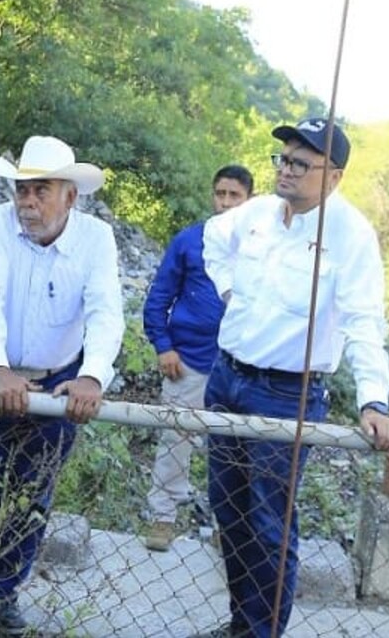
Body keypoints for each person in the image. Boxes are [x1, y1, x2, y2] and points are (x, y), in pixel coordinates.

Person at [193, 119, 389, 638]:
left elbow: (363, 323)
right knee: (229, 513)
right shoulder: (256, 214)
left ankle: (261, 633)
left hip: (286, 395)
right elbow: (212, 239)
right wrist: (227, 291)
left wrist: (374, 401)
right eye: (283, 159)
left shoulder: (351, 235)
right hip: (226, 380)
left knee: (269, 525)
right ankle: (242, 624)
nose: (286, 170)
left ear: (333, 177)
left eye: (300, 163)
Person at [0, 136, 124, 636]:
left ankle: (0, 593)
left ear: (70, 196)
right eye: (22, 189)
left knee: (31, 494)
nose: (27, 202)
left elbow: (106, 311)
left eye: (41, 190)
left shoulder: (96, 238)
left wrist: (92, 375)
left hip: (59, 379)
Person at [143, 165, 253, 552]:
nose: (225, 202)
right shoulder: (190, 241)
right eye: (220, 194)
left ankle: (230, 528)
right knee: (174, 440)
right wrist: (163, 345)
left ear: (250, 200)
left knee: (236, 450)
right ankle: (162, 517)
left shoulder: (261, 247)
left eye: (234, 195)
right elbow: (159, 296)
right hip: (187, 361)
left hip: (241, 368)